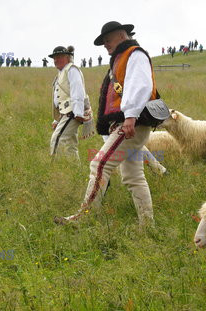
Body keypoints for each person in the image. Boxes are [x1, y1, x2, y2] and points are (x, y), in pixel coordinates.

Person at [54, 21, 157, 227]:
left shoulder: (134, 54)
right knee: (133, 177)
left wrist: (129, 117)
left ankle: (83, 218)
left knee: (99, 164)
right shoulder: (121, 57)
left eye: (108, 40)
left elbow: (141, 86)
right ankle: (148, 226)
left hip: (131, 123)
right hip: (130, 122)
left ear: (121, 35)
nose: (105, 45)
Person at [49, 45, 94, 160]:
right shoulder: (61, 73)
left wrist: (78, 113)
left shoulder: (72, 69)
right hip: (66, 113)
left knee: (57, 138)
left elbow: (77, 92)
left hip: (72, 112)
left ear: (67, 57)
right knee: (70, 145)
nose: (56, 60)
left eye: (59, 57)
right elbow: (59, 100)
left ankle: (52, 169)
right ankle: (75, 172)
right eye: (54, 58)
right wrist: (56, 119)